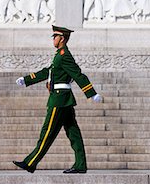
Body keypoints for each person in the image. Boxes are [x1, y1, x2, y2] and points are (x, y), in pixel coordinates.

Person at [13, 25, 103, 174]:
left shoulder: (64, 55)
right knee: (74, 133)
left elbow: (77, 74)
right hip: (63, 99)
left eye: (55, 37)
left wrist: (91, 93)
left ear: (62, 38)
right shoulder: (59, 55)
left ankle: (30, 162)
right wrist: (27, 79)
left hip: (59, 99)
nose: (53, 39)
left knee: (47, 132)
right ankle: (80, 165)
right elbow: (47, 72)